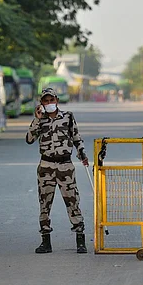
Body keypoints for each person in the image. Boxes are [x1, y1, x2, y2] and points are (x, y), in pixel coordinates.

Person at [26, 88, 89, 254]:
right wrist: (37, 119)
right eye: (45, 101)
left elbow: (76, 137)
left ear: (57, 100)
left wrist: (82, 152)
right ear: (41, 103)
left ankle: (80, 240)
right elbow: (29, 139)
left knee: (73, 201)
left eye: (51, 100)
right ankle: (45, 241)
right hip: (46, 166)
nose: (48, 104)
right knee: (44, 204)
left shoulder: (67, 117)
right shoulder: (41, 120)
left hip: (65, 166)